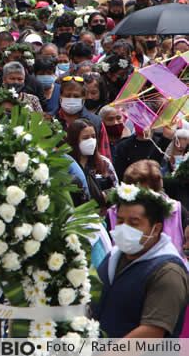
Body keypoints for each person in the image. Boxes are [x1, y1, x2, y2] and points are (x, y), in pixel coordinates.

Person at [94, 182, 189, 337]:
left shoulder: (168, 272)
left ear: (156, 228)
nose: (124, 228)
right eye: (120, 221)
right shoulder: (114, 257)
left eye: (134, 223)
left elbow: (151, 332)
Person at [66, 118, 118, 212]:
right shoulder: (67, 166)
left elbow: (116, 190)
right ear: (74, 140)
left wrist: (105, 195)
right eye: (85, 138)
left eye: (93, 137)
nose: (91, 141)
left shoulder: (104, 163)